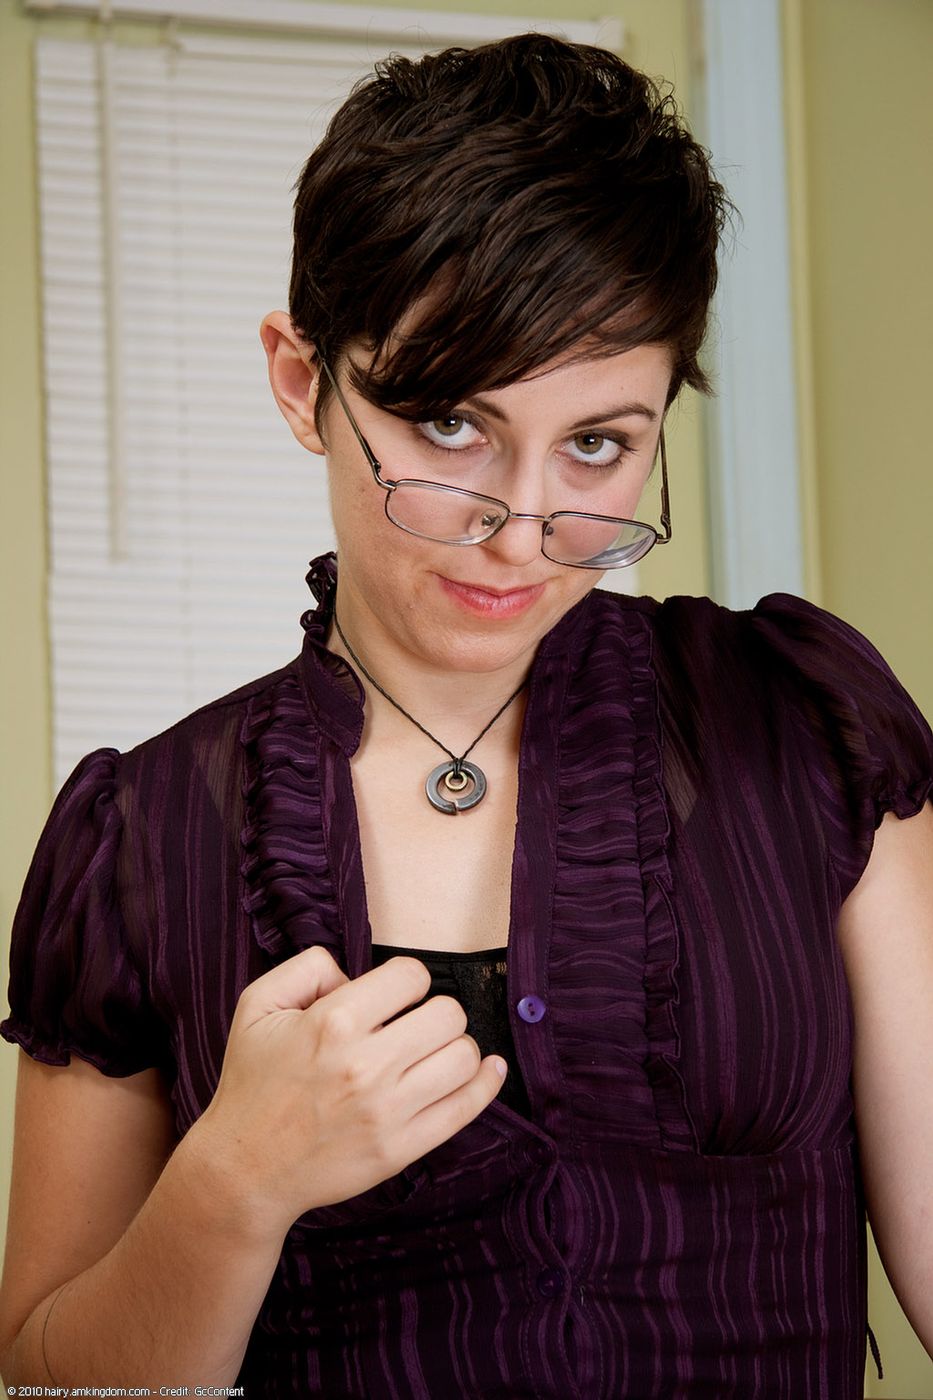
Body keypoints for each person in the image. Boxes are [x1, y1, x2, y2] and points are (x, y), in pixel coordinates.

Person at [0, 32, 931, 1400]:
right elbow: (46, 1380)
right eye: (449, 426)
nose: (519, 527)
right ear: (302, 381)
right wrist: (233, 1185)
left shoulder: (805, 728)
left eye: (598, 445)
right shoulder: (139, 840)